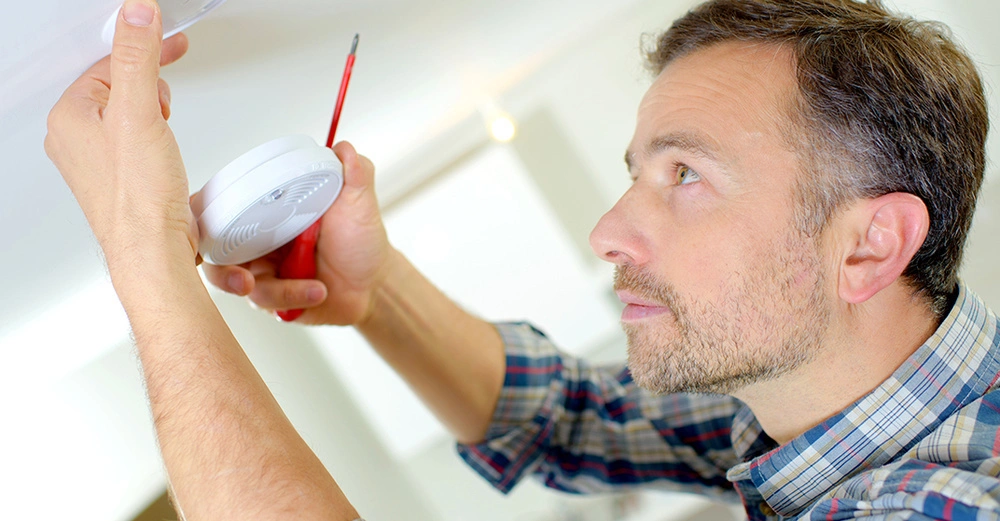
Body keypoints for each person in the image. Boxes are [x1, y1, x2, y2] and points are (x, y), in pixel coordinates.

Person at [45, 0, 1000, 518]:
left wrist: (147, 259)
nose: (608, 231)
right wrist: (375, 295)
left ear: (869, 244)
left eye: (686, 176)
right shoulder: (816, 398)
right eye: (639, 173)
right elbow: (569, 420)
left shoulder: (943, 503)